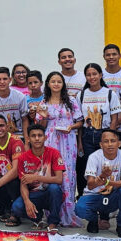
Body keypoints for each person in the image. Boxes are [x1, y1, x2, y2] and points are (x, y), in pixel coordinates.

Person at [40, 72, 82, 227]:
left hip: (68, 140)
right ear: (48, 84)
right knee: (51, 172)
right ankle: (52, 214)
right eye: (53, 81)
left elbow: (80, 121)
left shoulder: (71, 100)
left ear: (63, 84)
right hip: (50, 140)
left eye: (59, 81)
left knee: (67, 174)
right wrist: (43, 116)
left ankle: (68, 214)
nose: (56, 84)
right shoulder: (44, 101)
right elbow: (41, 126)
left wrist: (71, 127)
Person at [77, 129, 121, 236]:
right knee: (80, 208)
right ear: (101, 144)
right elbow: (90, 185)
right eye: (106, 141)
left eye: (113, 141)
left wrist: (108, 182)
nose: (110, 144)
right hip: (95, 195)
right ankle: (94, 220)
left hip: (113, 196)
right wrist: (102, 176)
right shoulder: (94, 157)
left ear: (119, 143)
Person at [77, 63, 121, 194]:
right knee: (88, 167)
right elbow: (80, 120)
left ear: (100, 75)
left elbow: (115, 118)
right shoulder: (81, 95)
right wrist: (80, 142)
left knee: (105, 166)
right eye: (88, 74)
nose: (92, 77)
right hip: (86, 136)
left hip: (104, 134)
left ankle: (107, 194)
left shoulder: (110, 94)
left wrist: (109, 137)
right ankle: (86, 196)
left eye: (94, 74)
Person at [11, 124, 65, 232]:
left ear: (45, 138)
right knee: (16, 207)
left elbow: (59, 179)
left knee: (54, 188)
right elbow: (23, 184)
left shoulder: (54, 153)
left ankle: (53, 222)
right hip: (34, 194)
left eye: (40, 135)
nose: (37, 138)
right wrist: (27, 201)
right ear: (28, 139)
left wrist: (36, 177)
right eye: (33, 136)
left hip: (50, 193)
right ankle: (39, 217)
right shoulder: (23, 158)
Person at [0, 66, 28, 139]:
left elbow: (25, 120)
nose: (2, 82)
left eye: (5, 79)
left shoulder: (20, 96)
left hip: (19, 136)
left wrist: (26, 142)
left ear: (10, 79)